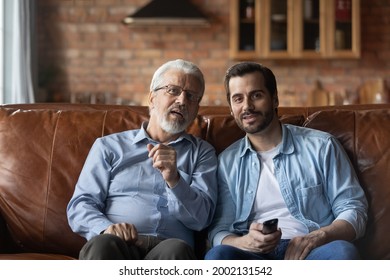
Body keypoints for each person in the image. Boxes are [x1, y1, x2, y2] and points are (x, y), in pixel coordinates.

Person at [205, 62, 368, 260]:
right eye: (238, 99)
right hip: (254, 256)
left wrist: (318, 237)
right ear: (231, 108)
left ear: (274, 99)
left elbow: (353, 208)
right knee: (218, 256)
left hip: (312, 250)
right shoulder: (226, 162)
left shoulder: (322, 146)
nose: (247, 106)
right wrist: (243, 242)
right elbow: (219, 229)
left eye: (256, 95)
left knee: (343, 252)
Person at [67, 59, 218, 260]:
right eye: (173, 90)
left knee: (177, 250)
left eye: (191, 96)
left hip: (169, 248)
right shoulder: (109, 147)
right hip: (118, 244)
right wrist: (106, 229)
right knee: (103, 245)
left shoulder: (202, 153)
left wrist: (175, 180)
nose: (182, 101)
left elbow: (201, 220)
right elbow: (81, 205)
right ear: (152, 98)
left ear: (196, 108)